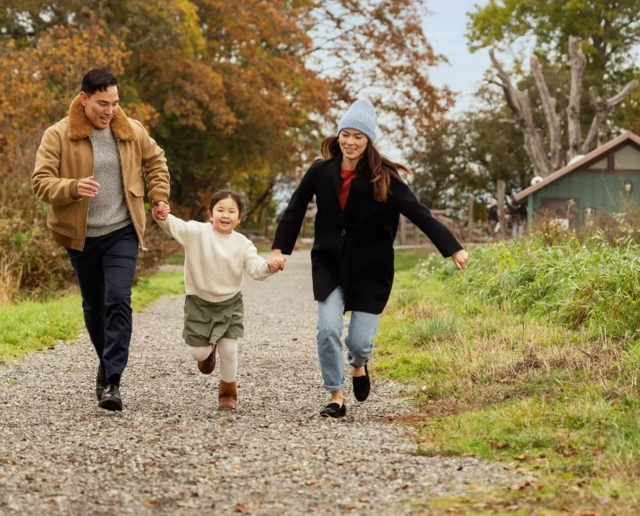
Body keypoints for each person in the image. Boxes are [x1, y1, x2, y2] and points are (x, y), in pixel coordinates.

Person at [269, 100, 468, 417]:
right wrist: (280, 250)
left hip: (371, 270)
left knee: (359, 342)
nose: (349, 142)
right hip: (330, 264)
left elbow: (420, 213)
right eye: (345, 135)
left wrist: (453, 247)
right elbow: (293, 211)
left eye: (357, 137)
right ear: (337, 136)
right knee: (328, 330)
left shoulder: (384, 177)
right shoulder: (321, 172)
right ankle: (336, 395)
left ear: (368, 141)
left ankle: (359, 365)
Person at [31, 68, 170, 411]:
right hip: (81, 238)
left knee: (118, 299)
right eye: (102, 104)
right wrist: (73, 187)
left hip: (122, 229)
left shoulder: (131, 130)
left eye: (114, 103)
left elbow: (156, 161)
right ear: (84, 99)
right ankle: (106, 366)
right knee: (94, 308)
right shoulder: (58, 135)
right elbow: (40, 182)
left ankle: (112, 381)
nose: (109, 111)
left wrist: (160, 196)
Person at [152, 190, 280, 410]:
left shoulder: (243, 243)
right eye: (220, 210)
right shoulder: (197, 233)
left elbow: (255, 268)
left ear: (239, 217)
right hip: (199, 302)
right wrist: (161, 214)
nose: (225, 215)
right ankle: (208, 349)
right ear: (210, 214)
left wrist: (269, 266)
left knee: (229, 350)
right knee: (198, 353)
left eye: (232, 211)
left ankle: (228, 392)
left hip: (230, 303)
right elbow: (174, 225)